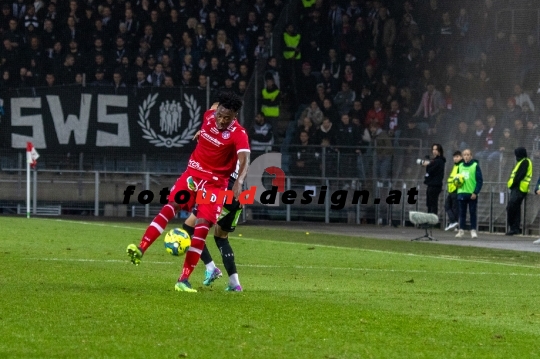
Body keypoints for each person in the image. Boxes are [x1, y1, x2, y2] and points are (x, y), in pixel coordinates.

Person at [126, 92, 250, 293]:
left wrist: (240, 182)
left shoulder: (238, 133)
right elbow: (214, 107)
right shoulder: (209, 116)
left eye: (226, 118)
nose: (221, 120)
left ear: (234, 116)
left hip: (214, 185)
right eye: (219, 115)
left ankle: (184, 279)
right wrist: (203, 131)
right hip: (192, 174)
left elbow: (244, 158)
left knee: (201, 227)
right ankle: (140, 248)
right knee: (170, 206)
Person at [455, 149, 483, 239]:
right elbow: (457, 178)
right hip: (462, 193)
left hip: (472, 194)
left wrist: (475, 192)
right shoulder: (460, 166)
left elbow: (480, 180)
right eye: (465, 155)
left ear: (471, 156)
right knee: (462, 213)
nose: (466, 156)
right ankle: (461, 230)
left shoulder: (475, 166)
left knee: (472, 212)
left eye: (468, 155)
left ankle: (473, 230)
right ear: (463, 156)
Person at [505, 147, 532, 236]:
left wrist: (512, 184)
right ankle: (514, 228)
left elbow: (519, 176)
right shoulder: (521, 162)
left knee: (511, 207)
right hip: (517, 188)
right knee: (514, 208)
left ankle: (514, 227)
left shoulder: (525, 161)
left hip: (519, 188)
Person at [421, 143, 446, 215]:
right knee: (429, 203)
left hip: (435, 185)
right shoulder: (435, 160)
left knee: (433, 204)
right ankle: (429, 220)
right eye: (433, 149)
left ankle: (432, 221)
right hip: (431, 184)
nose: (434, 151)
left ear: (439, 151)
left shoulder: (440, 161)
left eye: (436, 149)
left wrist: (428, 164)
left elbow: (432, 170)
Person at [444, 151, 463, 231]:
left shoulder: (461, 166)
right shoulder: (455, 166)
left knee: (453, 207)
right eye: (454, 157)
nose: (455, 158)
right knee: (448, 206)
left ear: (461, 157)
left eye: (457, 156)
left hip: (456, 189)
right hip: (451, 189)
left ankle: (454, 222)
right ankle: (454, 223)